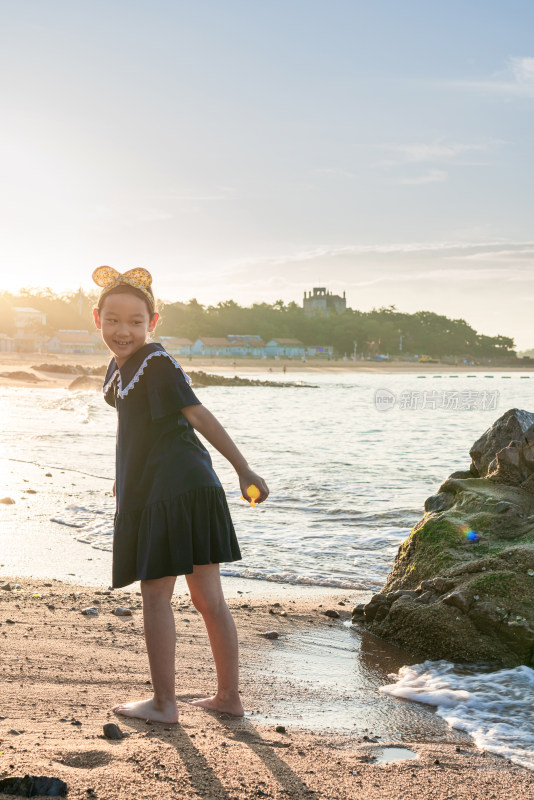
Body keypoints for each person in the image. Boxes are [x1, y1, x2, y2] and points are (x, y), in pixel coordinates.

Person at [91, 266, 269, 724]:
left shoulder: (157, 361)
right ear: (97, 318)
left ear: (153, 322)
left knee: (157, 595)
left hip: (175, 486)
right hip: (177, 484)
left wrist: (243, 467)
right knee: (208, 597)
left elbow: (196, 414)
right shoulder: (119, 369)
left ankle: (165, 704)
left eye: (135, 321)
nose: (123, 330)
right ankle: (228, 697)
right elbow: (134, 428)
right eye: (113, 320)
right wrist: (123, 475)